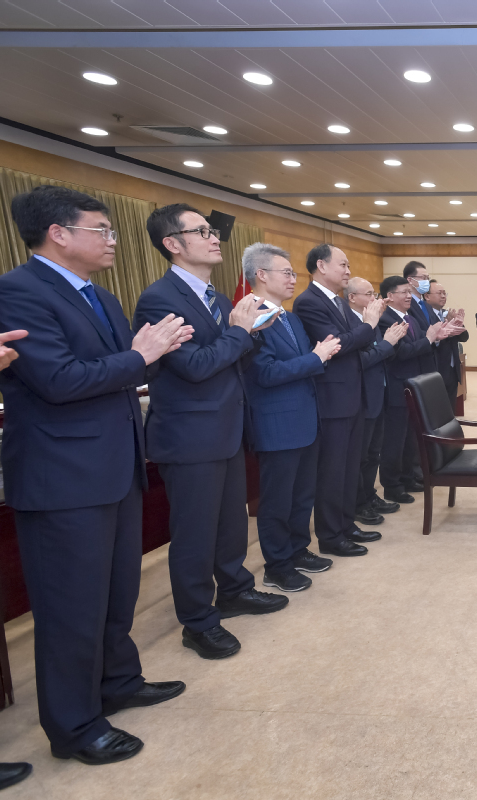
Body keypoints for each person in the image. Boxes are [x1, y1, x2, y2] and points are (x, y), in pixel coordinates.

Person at [0, 186, 190, 766]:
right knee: (70, 608)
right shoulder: (18, 291)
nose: (112, 241)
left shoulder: (100, 295)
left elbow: (113, 372)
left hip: (114, 467)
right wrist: (142, 356)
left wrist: (137, 359)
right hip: (63, 477)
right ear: (58, 233)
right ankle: (75, 726)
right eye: (101, 230)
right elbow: (59, 381)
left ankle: (118, 682)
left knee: (115, 592)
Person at [136, 203, 288, 660]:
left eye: (211, 230)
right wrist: (241, 333)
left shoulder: (220, 299)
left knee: (230, 523)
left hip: (226, 428)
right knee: (195, 534)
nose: (214, 237)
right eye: (201, 231)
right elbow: (196, 367)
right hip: (190, 436)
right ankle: (198, 621)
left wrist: (254, 331)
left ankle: (235, 589)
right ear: (172, 244)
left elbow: (233, 359)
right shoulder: (160, 299)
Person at [242, 243, 343, 592]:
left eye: (292, 272)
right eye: (286, 272)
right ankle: (277, 565)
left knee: (302, 496)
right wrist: (317, 357)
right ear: (261, 275)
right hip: (277, 423)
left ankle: (298, 550)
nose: (293, 278)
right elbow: (265, 373)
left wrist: (317, 357)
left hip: (305, 419)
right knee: (277, 500)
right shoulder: (251, 318)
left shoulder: (291, 318)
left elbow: (305, 363)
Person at [292, 244, 387, 558]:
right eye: (343, 265)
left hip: (353, 395)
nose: (348, 271)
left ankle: (346, 525)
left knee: (349, 467)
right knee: (332, 472)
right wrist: (369, 325)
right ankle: (331, 536)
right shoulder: (308, 302)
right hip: (332, 400)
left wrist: (363, 331)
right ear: (321, 265)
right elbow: (338, 345)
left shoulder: (337, 301)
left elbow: (355, 343)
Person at [377, 276, 449, 504]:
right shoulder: (385, 320)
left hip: (413, 386)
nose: (409, 296)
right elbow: (400, 353)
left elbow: (420, 349)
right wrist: (428, 340)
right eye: (404, 292)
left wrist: (434, 339)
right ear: (390, 296)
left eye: (410, 292)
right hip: (397, 387)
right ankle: (392, 486)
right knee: (394, 440)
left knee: (410, 437)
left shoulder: (410, 318)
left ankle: (408, 477)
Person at [346, 277, 402, 526]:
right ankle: (359, 503)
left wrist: (388, 343)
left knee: (373, 453)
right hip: (362, 395)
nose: (375, 299)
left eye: (374, 294)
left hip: (379, 392)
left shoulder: (372, 320)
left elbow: (379, 352)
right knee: (361, 456)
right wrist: (388, 343)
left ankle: (369, 495)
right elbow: (362, 360)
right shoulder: (352, 324)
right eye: (368, 294)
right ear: (352, 298)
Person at [427, 280, 470, 401]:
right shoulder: (426, 317)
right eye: (439, 293)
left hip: (452, 370)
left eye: (444, 293)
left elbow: (464, 338)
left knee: (451, 408)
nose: (443, 296)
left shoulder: (448, 314)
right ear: (427, 296)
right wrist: (446, 329)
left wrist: (458, 324)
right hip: (436, 370)